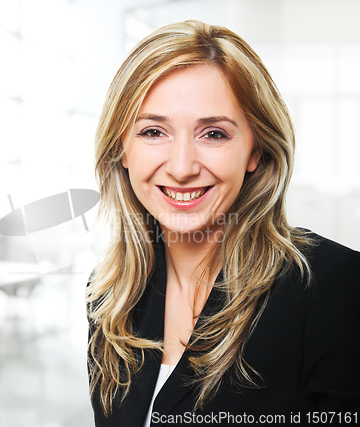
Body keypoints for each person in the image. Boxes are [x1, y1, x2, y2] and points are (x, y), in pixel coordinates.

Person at [86, 20, 359, 426]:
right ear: (122, 149)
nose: (181, 168)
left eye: (213, 134)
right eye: (154, 131)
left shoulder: (335, 288)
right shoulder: (108, 296)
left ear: (255, 151)